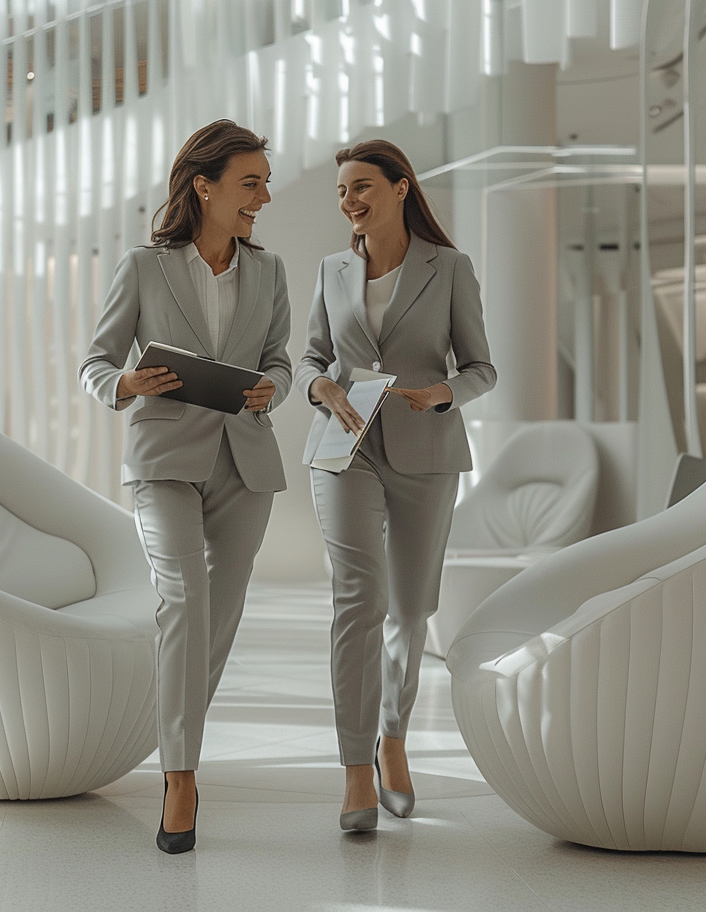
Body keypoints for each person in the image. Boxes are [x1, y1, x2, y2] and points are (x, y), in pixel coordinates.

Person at [79, 120, 292, 855]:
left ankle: (171, 733)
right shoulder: (144, 267)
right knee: (182, 600)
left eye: (264, 181)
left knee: (218, 617)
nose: (263, 195)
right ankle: (180, 776)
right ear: (204, 186)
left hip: (246, 461)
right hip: (164, 456)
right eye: (251, 182)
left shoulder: (268, 272)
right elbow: (96, 363)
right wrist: (127, 382)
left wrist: (276, 386)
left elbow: (280, 359)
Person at [295, 140, 496, 831]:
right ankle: (356, 770)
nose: (349, 200)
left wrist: (444, 392)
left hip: (425, 448)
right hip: (344, 448)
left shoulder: (450, 268)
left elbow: (481, 367)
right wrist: (318, 383)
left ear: (401, 188)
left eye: (361, 187)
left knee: (409, 611)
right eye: (342, 190)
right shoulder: (331, 270)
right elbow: (311, 358)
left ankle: (393, 740)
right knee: (357, 600)